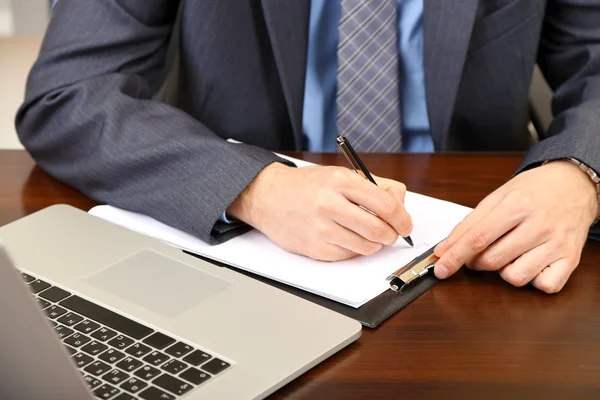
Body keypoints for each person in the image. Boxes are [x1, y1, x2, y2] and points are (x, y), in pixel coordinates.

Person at [16, 1, 600, 294]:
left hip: (483, 258)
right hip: (241, 264)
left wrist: (580, 171)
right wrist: (251, 186)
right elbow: (70, 93)